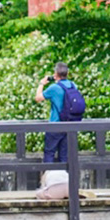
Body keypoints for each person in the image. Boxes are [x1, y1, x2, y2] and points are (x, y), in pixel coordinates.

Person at [32, 62, 86, 202]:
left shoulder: (54, 88)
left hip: (55, 126)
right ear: (67, 74)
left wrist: (41, 83)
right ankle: (67, 188)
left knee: (49, 154)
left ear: (55, 74)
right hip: (70, 127)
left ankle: (48, 187)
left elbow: (38, 98)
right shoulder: (73, 85)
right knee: (64, 157)